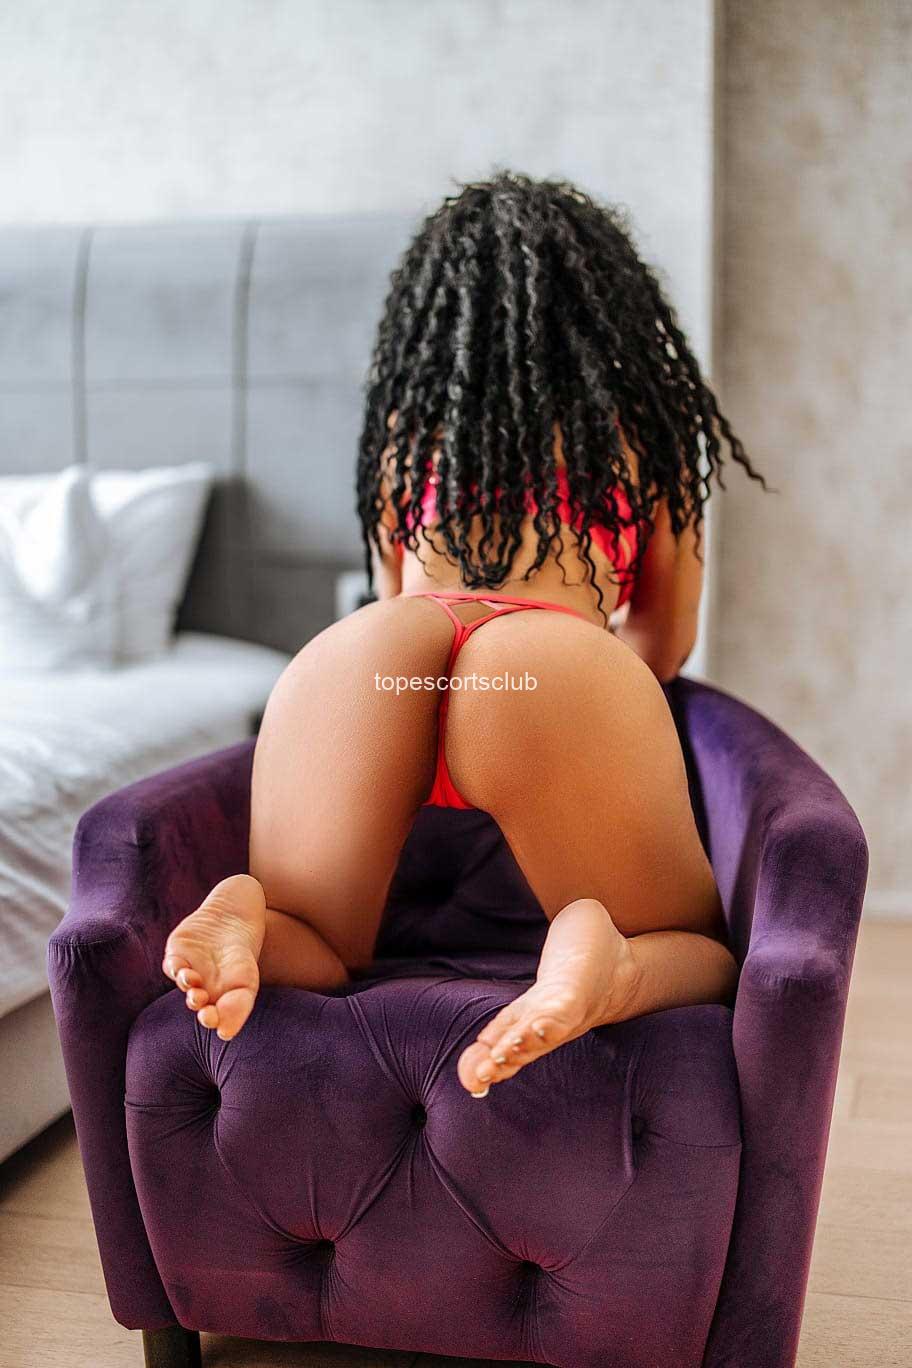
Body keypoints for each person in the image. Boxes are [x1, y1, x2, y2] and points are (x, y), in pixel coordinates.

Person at [162, 172, 765, 1098]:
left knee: (319, 944)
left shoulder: (409, 436)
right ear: (608, 312)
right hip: (550, 667)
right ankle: (606, 957)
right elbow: (664, 638)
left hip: (370, 661)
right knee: (697, 951)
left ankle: (250, 918)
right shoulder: (640, 437)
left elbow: (395, 590)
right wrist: (600, 725)